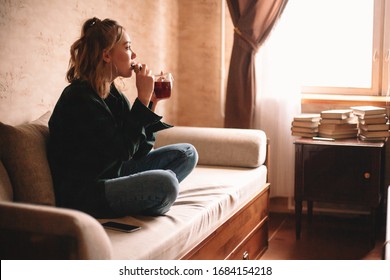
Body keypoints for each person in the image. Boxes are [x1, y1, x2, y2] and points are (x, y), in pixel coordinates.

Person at [48, 17, 198, 218]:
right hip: (87, 194)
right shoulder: (79, 97)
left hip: (113, 172)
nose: (134, 54)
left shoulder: (112, 94)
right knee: (167, 183)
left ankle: (146, 196)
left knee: (187, 153)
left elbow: (139, 152)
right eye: (127, 48)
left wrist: (151, 101)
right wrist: (142, 100)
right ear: (107, 55)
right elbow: (123, 150)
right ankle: (152, 196)